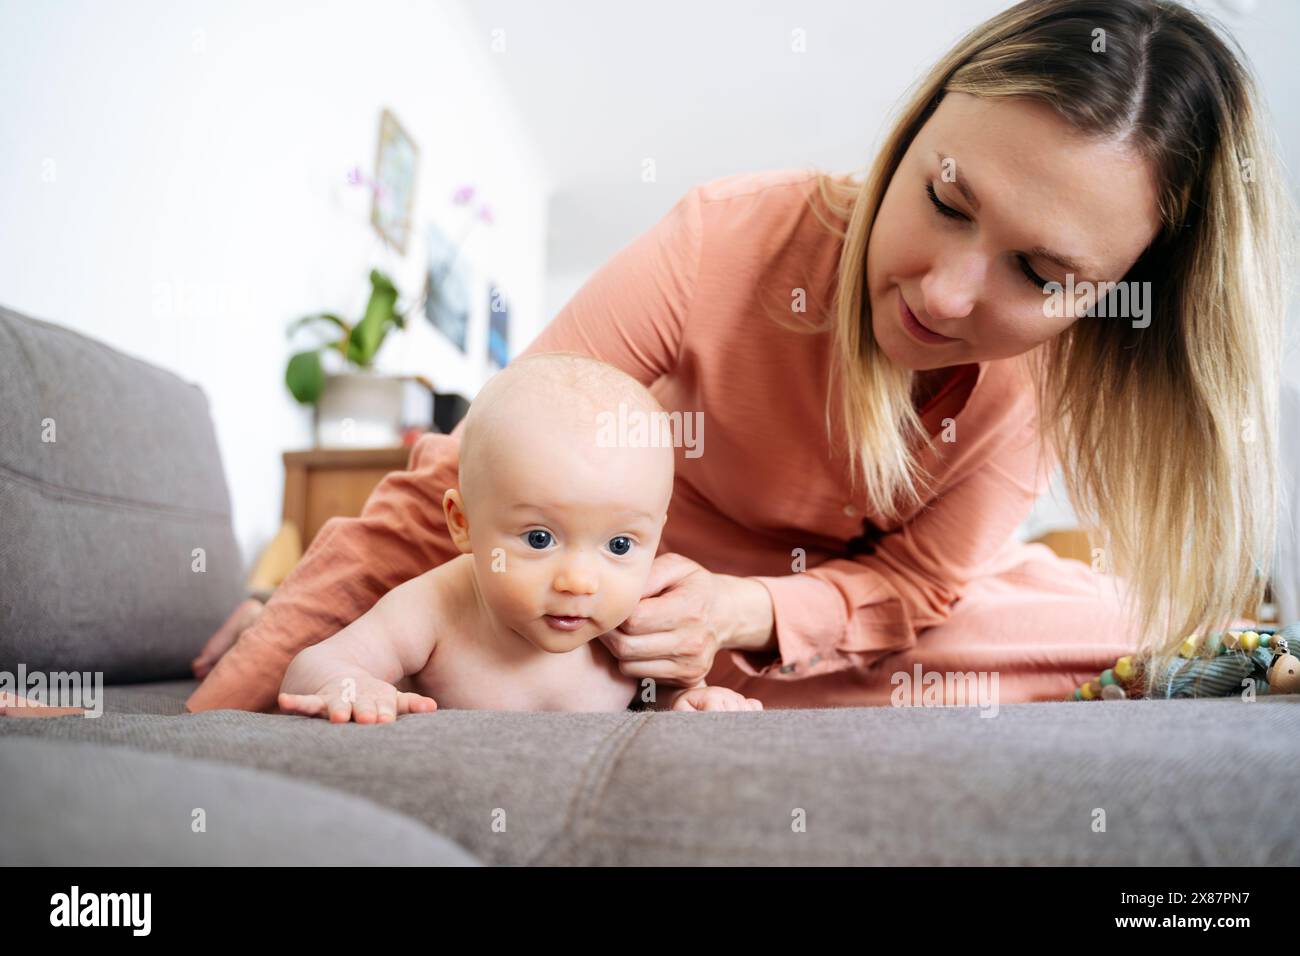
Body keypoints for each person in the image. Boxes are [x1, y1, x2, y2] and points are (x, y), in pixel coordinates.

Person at [188, 0, 1291, 714]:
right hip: (638, 595)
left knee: (1078, 612)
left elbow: (915, 587)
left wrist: (751, 614)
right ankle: (278, 602)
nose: (946, 294)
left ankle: (1170, 637)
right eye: (946, 199)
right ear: (910, 138)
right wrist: (223, 713)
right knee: (479, 601)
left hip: (776, 628)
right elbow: (463, 475)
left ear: (1109, 303)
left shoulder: (1040, 383)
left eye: (1041, 279)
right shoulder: (727, 238)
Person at [275, 352, 762, 718]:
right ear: (462, 523)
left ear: (656, 538)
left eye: (619, 546)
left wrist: (693, 699)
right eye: (539, 539)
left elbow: (664, 697)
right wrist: (350, 683)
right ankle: (257, 608)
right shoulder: (439, 605)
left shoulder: (633, 627)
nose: (579, 581)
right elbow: (316, 663)